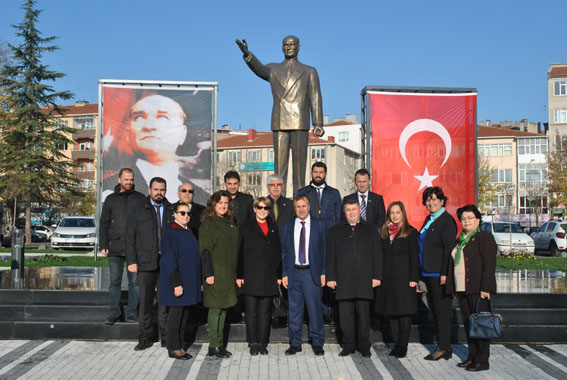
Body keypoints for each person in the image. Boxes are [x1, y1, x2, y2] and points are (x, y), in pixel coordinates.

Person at [236, 36, 324, 194]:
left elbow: (315, 97)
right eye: (286, 45)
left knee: (299, 170)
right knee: (279, 170)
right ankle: (279, 202)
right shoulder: (273, 69)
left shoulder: (309, 71)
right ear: (282, 48)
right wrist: (248, 55)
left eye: (292, 44)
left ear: (298, 47)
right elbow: (259, 69)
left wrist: (318, 123)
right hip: (280, 121)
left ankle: (300, 201)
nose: (289, 47)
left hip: (299, 122)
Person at [102, 93, 210, 203]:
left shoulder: (200, 196)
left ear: (182, 133)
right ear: (128, 132)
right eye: (139, 117)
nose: (150, 126)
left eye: (163, 117)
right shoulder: (109, 191)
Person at [326, 199, 382, 357]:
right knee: (345, 318)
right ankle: (349, 345)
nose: (351, 212)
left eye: (354, 209)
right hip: (343, 281)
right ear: (344, 212)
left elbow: (377, 255)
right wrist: (331, 277)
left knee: (364, 317)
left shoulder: (370, 230)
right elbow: (330, 256)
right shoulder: (336, 230)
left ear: (359, 211)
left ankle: (364, 346)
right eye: (348, 209)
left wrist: (377, 276)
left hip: (365, 280)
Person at [447, 205, 497, 372]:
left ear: (478, 220)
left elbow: (489, 265)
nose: (466, 221)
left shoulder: (484, 237)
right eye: (463, 218)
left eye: (470, 218)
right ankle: (472, 356)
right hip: (463, 289)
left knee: (481, 326)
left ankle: (483, 360)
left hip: (478, 289)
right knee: (470, 325)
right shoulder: (461, 239)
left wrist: (486, 288)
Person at [126, 177, 173, 351]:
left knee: (164, 302)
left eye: (162, 190)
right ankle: (144, 337)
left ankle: (166, 337)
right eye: (156, 189)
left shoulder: (171, 209)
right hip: (145, 262)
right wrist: (131, 261)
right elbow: (130, 237)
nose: (159, 193)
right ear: (149, 190)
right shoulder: (138, 209)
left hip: (166, 263)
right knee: (145, 302)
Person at [280, 194, 327, 356]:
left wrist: (324, 273)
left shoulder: (319, 225)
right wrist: (285, 273)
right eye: (298, 206)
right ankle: (295, 343)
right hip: (294, 273)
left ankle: (317, 342)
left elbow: (325, 251)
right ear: (295, 208)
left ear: (309, 207)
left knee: (314, 310)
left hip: (311, 273)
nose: (301, 209)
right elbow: (284, 252)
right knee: (294, 311)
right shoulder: (287, 226)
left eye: (304, 206)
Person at [99, 168, 145, 325]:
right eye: (126, 179)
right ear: (119, 180)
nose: (129, 182)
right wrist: (103, 244)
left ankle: (132, 312)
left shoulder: (140, 199)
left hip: (134, 249)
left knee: (135, 283)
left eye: (131, 179)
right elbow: (104, 223)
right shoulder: (110, 199)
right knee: (114, 282)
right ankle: (114, 312)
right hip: (114, 247)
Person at [236, 197, 282, 355]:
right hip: (250, 275)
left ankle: (262, 342)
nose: (263, 210)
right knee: (251, 312)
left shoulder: (274, 228)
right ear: (254, 209)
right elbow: (239, 252)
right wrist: (239, 274)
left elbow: (278, 253)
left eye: (266, 208)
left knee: (265, 312)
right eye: (260, 207)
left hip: (268, 276)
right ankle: (253, 342)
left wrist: (279, 274)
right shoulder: (246, 227)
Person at [376, 201, 419, 358]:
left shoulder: (410, 232)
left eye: (397, 212)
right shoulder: (382, 232)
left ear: (403, 214)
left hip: (405, 279)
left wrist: (414, 278)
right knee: (392, 313)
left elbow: (414, 257)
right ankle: (396, 344)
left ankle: (403, 346)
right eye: (392, 213)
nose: (394, 216)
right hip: (388, 280)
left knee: (404, 314)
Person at [419, 186, 457, 361]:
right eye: (428, 199)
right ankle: (441, 344)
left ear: (442, 201)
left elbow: (448, 250)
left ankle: (443, 348)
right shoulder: (430, 218)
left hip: (438, 274)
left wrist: (444, 274)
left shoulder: (446, 221)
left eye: (435, 199)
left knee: (442, 311)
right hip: (427, 272)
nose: (431, 202)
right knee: (434, 310)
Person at [159, 202, 201, 360]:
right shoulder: (171, 233)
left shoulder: (188, 231)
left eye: (188, 213)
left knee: (183, 316)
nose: (186, 216)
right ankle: (173, 347)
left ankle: (180, 345)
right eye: (182, 213)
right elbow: (169, 260)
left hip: (189, 281)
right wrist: (176, 283)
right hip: (177, 282)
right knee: (175, 317)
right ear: (174, 214)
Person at [199, 191, 239, 359]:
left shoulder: (230, 223)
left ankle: (219, 344)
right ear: (213, 204)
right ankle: (214, 344)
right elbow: (205, 250)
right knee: (215, 309)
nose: (223, 206)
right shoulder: (208, 224)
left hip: (228, 274)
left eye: (226, 203)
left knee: (223, 309)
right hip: (214, 273)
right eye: (220, 202)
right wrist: (208, 273)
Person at [297, 162, 342, 232]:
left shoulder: (334, 193)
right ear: (311, 173)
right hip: (309, 232)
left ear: (325, 174)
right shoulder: (302, 192)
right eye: (315, 172)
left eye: (321, 172)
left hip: (329, 232)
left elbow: (338, 217)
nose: (318, 175)